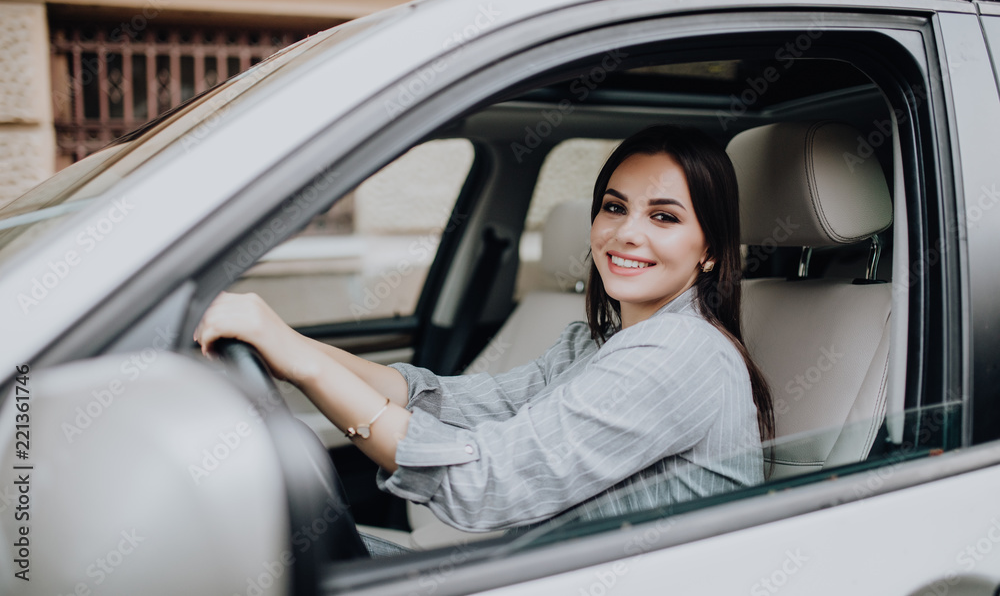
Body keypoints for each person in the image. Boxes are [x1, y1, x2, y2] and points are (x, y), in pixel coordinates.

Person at [193, 124, 774, 555]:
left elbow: (486, 484)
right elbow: (438, 399)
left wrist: (306, 367)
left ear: (711, 252)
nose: (626, 232)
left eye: (665, 217)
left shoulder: (683, 356)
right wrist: (280, 340)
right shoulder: (594, 345)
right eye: (614, 207)